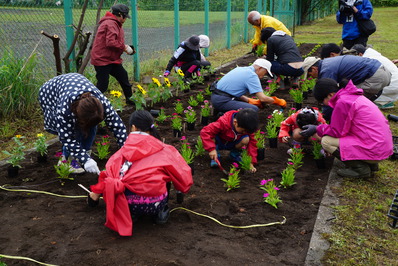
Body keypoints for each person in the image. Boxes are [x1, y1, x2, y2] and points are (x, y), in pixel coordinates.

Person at [88, 110, 193, 236]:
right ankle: (160, 213)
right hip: (155, 202)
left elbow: (109, 176)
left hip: (128, 204)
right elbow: (183, 176)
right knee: (166, 175)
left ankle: (132, 215)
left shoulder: (121, 152)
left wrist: (94, 195)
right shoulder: (165, 149)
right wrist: (180, 190)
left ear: (133, 127)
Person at [300, 78, 393, 178]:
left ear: (331, 95)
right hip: (382, 146)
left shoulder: (343, 102)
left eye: (323, 101)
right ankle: (371, 164)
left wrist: (317, 128)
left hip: (374, 148)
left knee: (326, 141)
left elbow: (336, 132)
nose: (324, 104)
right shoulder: (351, 96)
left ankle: (360, 169)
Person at [38, 73, 127, 174]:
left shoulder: (102, 103)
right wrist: (86, 160)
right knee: (75, 131)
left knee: (91, 127)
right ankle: (66, 161)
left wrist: (126, 153)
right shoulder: (65, 110)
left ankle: (83, 154)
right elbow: (66, 137)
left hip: (74, 83)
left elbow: (118, 127)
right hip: (51, 93)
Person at [91, 4, 135, 105]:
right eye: (125, 17)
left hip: (112, 59)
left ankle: (130, 99)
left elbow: (115, 42)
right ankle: (90, 104)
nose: (126, 19)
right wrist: (124, 47)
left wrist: (127, 48)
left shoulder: (115, 23)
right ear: (120, 15)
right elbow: (110, 42)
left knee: (123, 76)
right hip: (102, 59)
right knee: (102, 85)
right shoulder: (110, 23)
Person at [210, 58, 286, 113]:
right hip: (223, 101)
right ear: (260, 68)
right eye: (265, 73)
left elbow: (233, 92)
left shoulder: (240, 69)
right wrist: (277, 101)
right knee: (252, 110)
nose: (263, 76)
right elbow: (263, 99)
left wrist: (249, 100)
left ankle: (221, 111)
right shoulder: (252, 75)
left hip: (215, 97)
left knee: (247, 105)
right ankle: (227, 117)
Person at [302, 55, 391, 101]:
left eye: (310, 75)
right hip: (381, 71)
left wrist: (326, 114)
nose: (311, 77)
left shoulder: (327, 70)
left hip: (375, 76)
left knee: (351, 101)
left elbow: (331, 94)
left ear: (314, 69)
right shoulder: (327, 63)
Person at [200, 108, 259, 173]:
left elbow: (252, 144)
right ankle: (216, 156)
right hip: (219, 142)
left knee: (246, 139)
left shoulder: (246, 127)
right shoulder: (223, 122)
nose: (245, 132)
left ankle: (234, 154)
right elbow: (205, 132)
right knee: (211, 135)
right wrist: (211, 149)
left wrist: (251, 162)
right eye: (243, 131)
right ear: (235, 122)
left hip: (233, 143)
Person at [348, 44, 398, 109]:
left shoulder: (368, 59)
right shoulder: (376, 56)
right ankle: (384, 101)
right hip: (393, 83)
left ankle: (381, 101)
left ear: (360, 54)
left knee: (363, 85)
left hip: (391, 84)